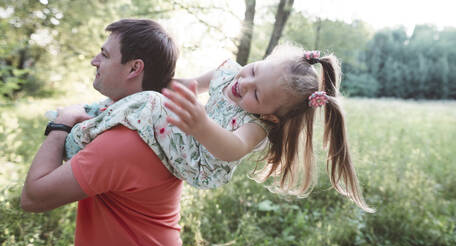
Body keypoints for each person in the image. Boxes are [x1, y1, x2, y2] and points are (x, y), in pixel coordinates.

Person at [63, 43, 373, 212]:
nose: (244, 84)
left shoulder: (257, 126)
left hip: (201, 160)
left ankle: (81, 139)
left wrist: (201, 125)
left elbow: (231, 149)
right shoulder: (230, 73)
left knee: (150, 105)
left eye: (256, 94)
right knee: (150, 100)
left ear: (271, 116)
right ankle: (94, 114)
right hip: (189, 134)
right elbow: (186, 85)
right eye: (253, 71)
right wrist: (150, 79)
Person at [21, 19, 183, 246]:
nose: (93, 61)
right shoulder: (158, 120)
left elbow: (32, 198)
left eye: (105, 56)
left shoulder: (124, 140)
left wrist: (61, 125)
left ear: (134, 68)